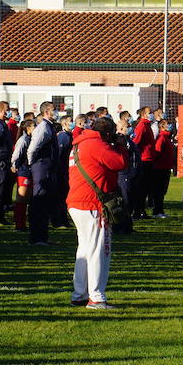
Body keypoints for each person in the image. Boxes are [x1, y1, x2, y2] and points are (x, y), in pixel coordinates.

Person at [67, 116, 128, 309]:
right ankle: (97, 297)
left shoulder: (80, 143)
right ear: (108, 133)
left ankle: (79, 294)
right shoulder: (96, 144)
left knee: (84, 250)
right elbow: (119, 163)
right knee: (98, 252)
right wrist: (121, 146)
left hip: (77, 201)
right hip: (92, 203)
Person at [26, 101, 58, 246]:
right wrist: (33, 164)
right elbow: (33, 148)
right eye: (53, 110)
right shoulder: (43, 128)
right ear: (46, 112)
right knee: (39, 201)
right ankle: (37, 237)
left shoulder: (49, 127)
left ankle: (42, 236)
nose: (56, 113)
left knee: (45, 203)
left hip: (46, 167)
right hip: (41, 167)